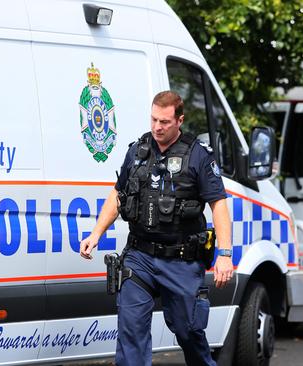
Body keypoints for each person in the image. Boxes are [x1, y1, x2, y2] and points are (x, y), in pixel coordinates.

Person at [80, 90, 233, 366]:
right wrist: (96, 232)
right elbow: (118, 194)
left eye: (164, 121)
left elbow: (218, 205)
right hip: (139, 257)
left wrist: (225, 254)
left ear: (180, 120)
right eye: (153, 120)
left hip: (182, 260)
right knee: (131, 334)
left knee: (189, 332)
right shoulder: (138, 151)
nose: (157, 127)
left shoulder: (198, 156)